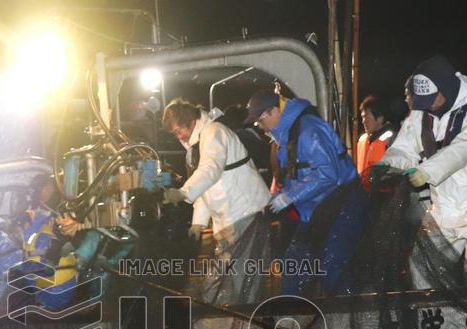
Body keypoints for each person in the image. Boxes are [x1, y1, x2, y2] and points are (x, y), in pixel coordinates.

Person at [375, 56, 467, 283]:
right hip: (444, 204)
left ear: (446, 87)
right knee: (423, 268)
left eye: (431, 97)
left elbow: (466, 146)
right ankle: (433, 317)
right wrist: (387, 164)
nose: (426, 104)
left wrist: (427, 172)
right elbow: (405, 149)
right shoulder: (420, 111)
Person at [246, 89, 368, 295]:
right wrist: (274, 200)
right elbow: (297, 177)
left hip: (343, 208)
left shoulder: (309, 131)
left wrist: (288, 198)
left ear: (274, 111)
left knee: (332, 268)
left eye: (260, 119)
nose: (259, 126)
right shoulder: (287, 136)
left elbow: (328, 174)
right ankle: (292, 318)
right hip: (316, 211)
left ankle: (349, 317)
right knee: (294, 267)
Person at [160, 99, 270, 255]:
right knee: (234, 267)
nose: (178, 137)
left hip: (244, 211)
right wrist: (198, 222)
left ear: (191, 122)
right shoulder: (201, 141)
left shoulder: (213, 133)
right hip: (234, 213)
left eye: (178, 131)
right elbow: (206, 185)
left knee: (240, 268)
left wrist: (183, 192)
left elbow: (209, 171)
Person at [356, 95, 397, 190]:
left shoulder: (392, 138)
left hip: (384, 197)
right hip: (363, 195)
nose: (363, 121)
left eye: (367, 117)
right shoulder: (362, 140)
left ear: (380, 118)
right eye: (362, 117)